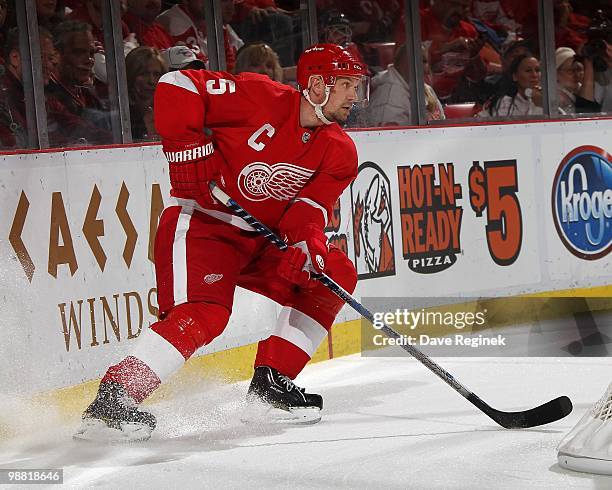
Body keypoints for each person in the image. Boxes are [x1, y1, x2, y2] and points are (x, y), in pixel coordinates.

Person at [75, 43, 368, 442]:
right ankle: (113, 400)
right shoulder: (259, 96)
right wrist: (188, 151)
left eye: (357, 86)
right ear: (317, 85)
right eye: (347, 84)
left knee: (333, 271)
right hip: (204, 226)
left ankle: (271, 387)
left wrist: (307, 247)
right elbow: (176, 83)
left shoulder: (340, 151)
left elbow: (310, 210)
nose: (354, 95)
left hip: (260, 242)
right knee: (204, 313)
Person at [478, 53, 542, 117]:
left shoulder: (548, 98)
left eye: (537, 70)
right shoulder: (505, 103)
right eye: (528, 71)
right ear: (515, 76)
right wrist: (538, 105)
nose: (534, 75)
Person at [125, 46, 168, 141]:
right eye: (144, 74)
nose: (151, 81)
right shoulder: (121, 115)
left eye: (156, 74)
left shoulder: (169, 112)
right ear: (131, 74)